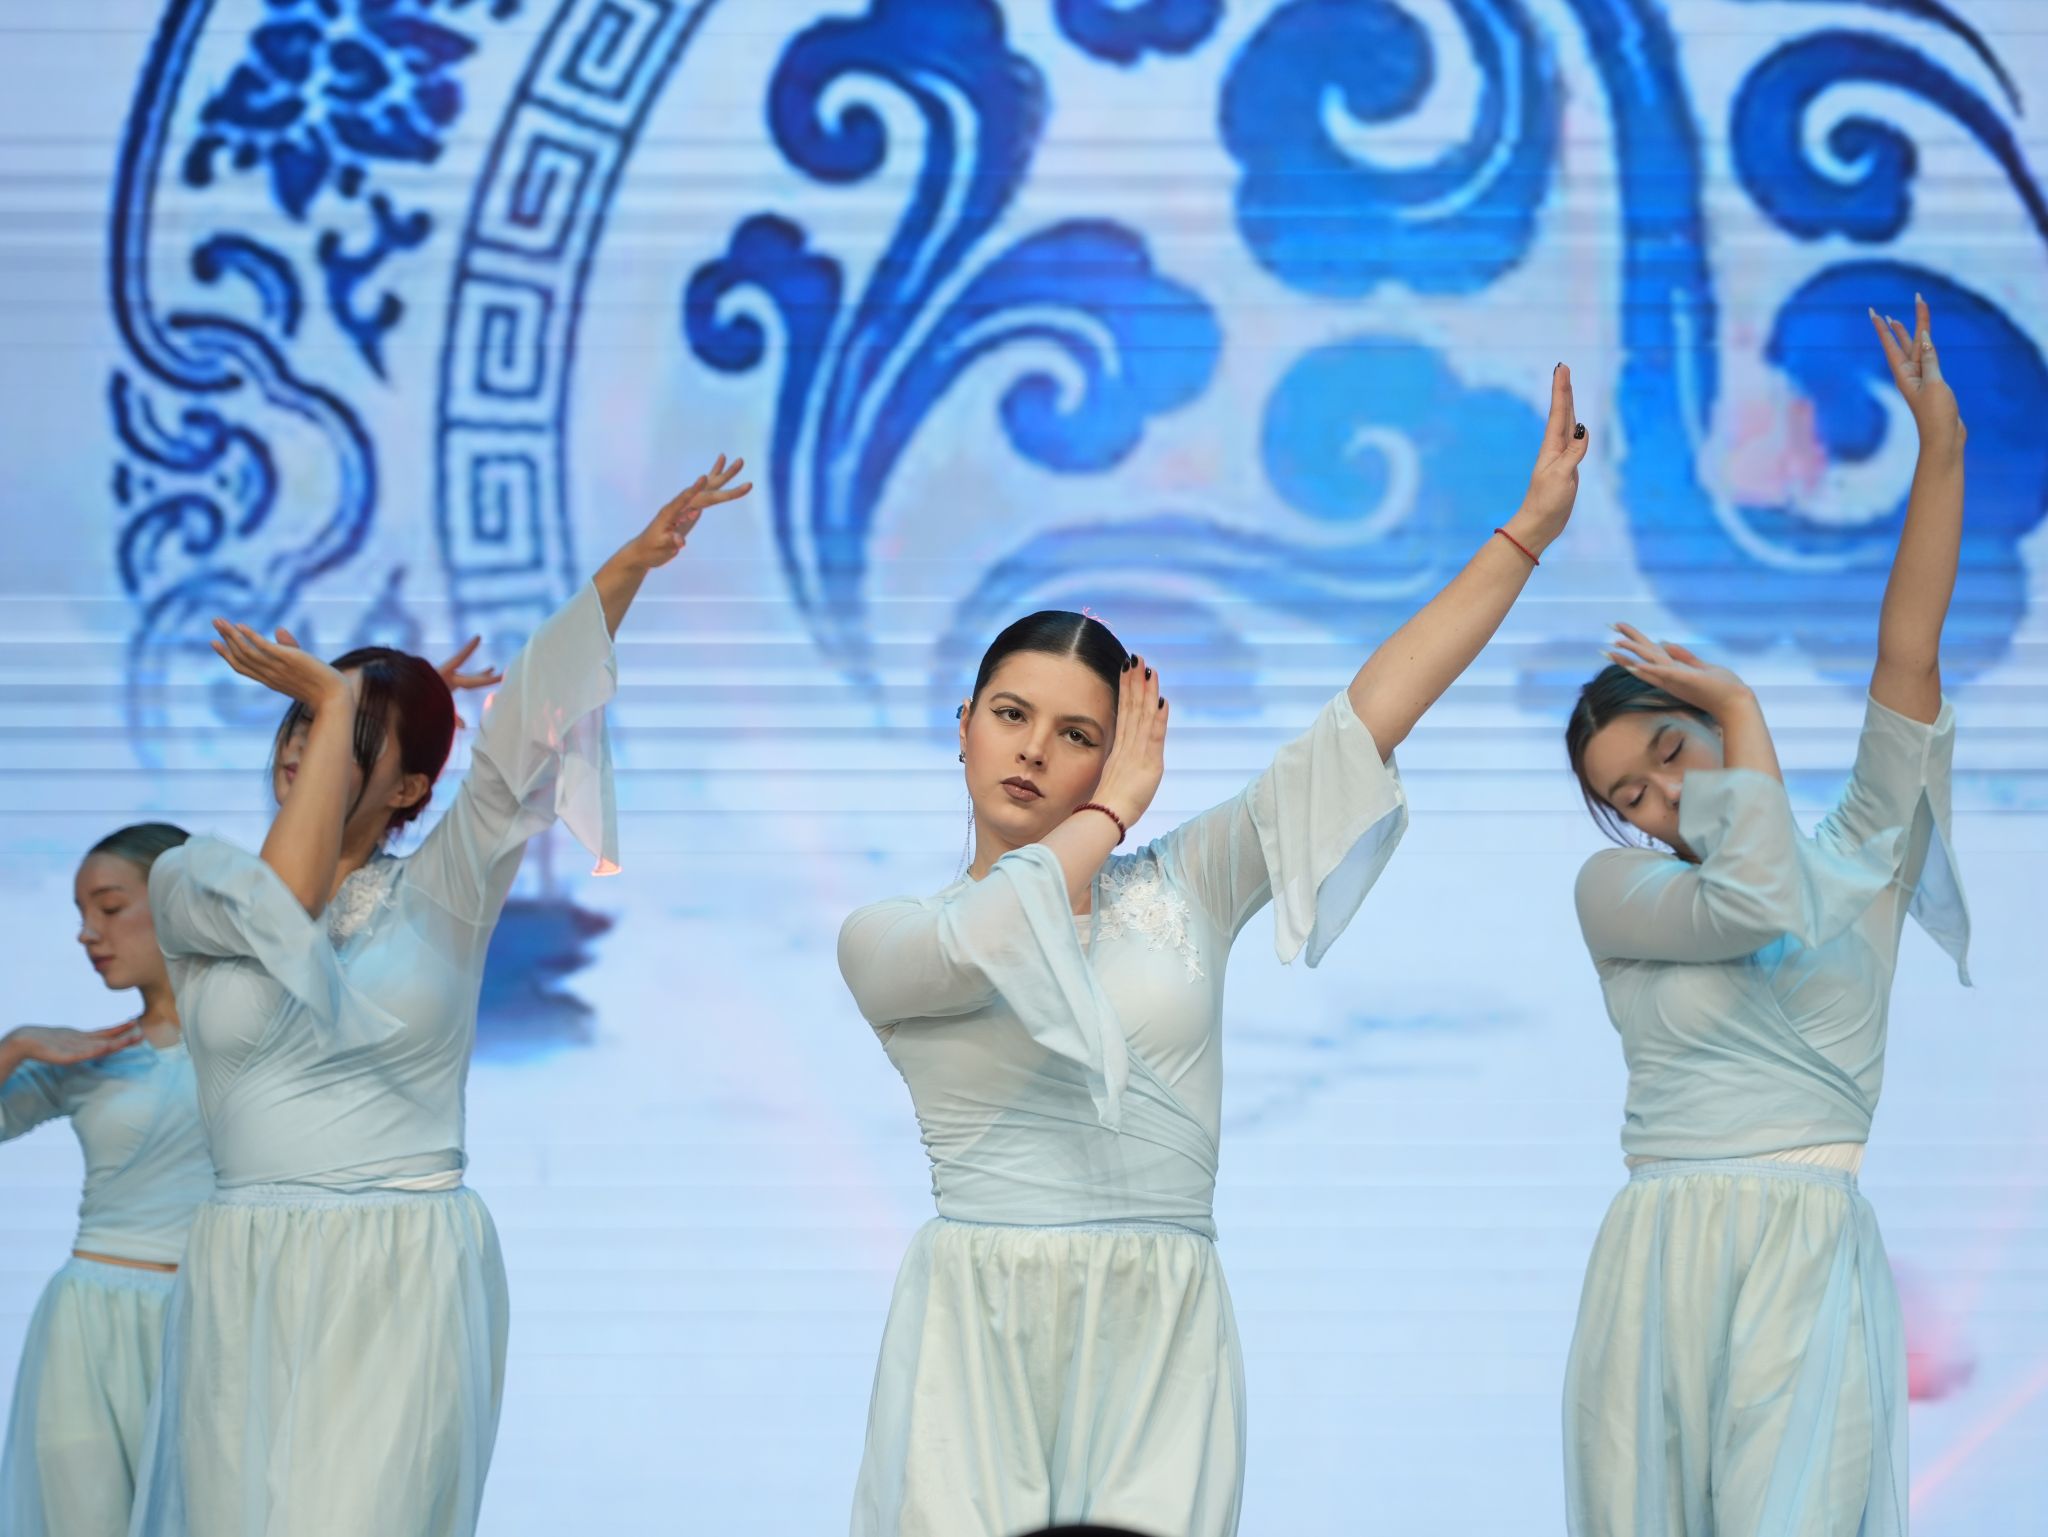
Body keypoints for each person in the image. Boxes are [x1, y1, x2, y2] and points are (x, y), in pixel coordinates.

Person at [840, 371, 1593, 1535]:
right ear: (962, 726)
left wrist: (1525, 535)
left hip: (1160, 1328)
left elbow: (1365, 720)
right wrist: (1112, 809)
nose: (1032, 751)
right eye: (1009, 714)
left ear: (1115, 752)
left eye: (1077, 734)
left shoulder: (1184, 883)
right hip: (972, 1335)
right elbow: (998, 930)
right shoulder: (885, 936)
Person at [127, 459, 752, 1536]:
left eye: (342, 735)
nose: (306, 745)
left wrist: (628, 568)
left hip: (401, 1269)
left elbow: (530, 725)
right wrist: (346, 706)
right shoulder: (193, 881)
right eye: (301, 722)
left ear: (412, 786)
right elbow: (284, 902)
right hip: (241, 1269)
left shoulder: (444, 891)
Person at [1560, 298, 1971, 1534]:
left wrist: (1940, 449)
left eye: (1666, 750)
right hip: (1661, 1257)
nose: (1658, 799)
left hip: (1807, 1251)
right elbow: (1744, 900)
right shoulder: (1617, 895)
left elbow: (1908, 654)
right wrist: (1736, 714)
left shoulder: (1860, 854)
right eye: (1625, 797)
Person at [1, 824, 209, 1537]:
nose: (88, 933)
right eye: (81, 913)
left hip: (214, 1321)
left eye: (110, 907)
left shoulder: (262, 1047)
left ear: (178, 899)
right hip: (86, 1328)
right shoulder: (86, 1060)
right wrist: (14, 1048)